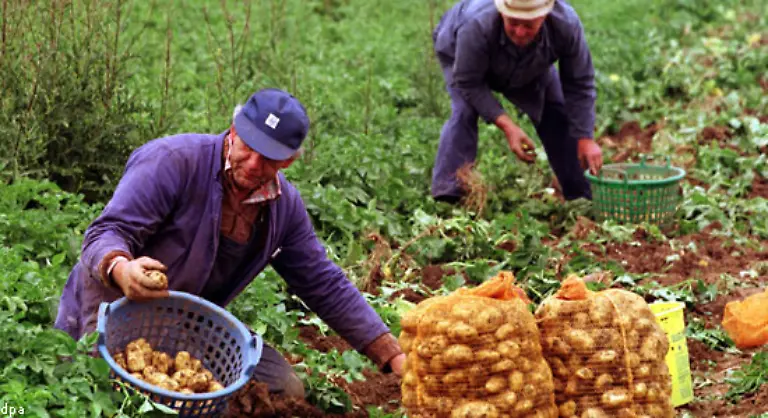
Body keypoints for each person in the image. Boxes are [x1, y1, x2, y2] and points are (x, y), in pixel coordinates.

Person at [54, 88, 406, 398]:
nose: (253, 165)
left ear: (290, 160)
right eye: (248, 147)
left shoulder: (284, 208)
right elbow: (105, 233)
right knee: (111, 390)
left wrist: (390, 354)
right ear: (235, 130)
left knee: (283, 389)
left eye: (269, 158)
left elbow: (322, 282)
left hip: (187, 323)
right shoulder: (173, 161)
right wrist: (122, 267)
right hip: (114, 307)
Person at [431, 0, 604, 203]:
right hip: (459, 53)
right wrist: (507, 125)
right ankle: (449, 196)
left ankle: (580, 196)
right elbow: (468, 83)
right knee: (464, 111)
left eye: (529, 25)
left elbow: (579, 82)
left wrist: (585, 137)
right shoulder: (476, 24)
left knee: (556, 111)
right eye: (513, 22)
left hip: (529, 58)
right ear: (502, 12)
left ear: (544, 16)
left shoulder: (565, 24)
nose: (520, 32)